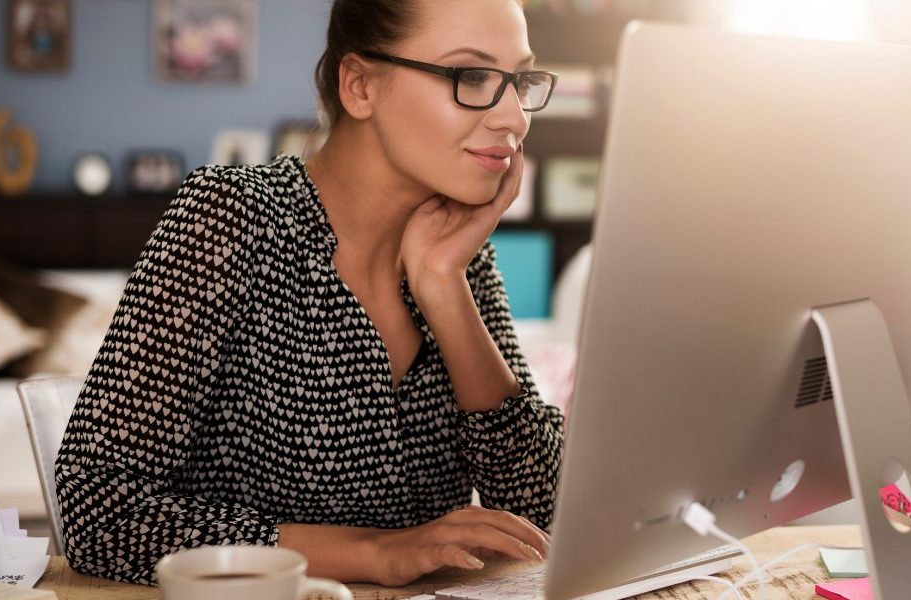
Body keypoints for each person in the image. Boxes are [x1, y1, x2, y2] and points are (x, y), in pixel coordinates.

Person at [55, 0, 564, 587]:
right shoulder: (231, 216)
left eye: (519, 80)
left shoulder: (459, 251)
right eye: (472, 77)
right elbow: (97, 512)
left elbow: (539, 516)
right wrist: (374, 553)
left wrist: (444, 287)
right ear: (359, 86)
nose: (515, 119)